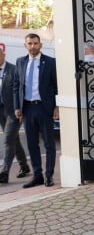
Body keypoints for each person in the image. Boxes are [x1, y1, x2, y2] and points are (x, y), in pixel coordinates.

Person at [13, 33, 58, 188]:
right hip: (27, 108)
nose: (33, 46)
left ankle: (49, 176)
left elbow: (57, 85)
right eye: (30, 43)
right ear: (25, 45)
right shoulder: (20, 62)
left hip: (44, 108)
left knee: (49, 144)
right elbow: (17, 86)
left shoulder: (51, 62)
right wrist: (17, 107)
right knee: (32, 144)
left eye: (35, 43)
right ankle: (37, 175)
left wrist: (57, 106)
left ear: (40, 45)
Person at [0, 45, 30, 183]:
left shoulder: (13, 69)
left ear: (3, 55)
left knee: (7, 139)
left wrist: (20, 109)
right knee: (14, 139)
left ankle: (4, 172)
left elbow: (20, 90)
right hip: (1, 111)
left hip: (14, 111)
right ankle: (24, 166)